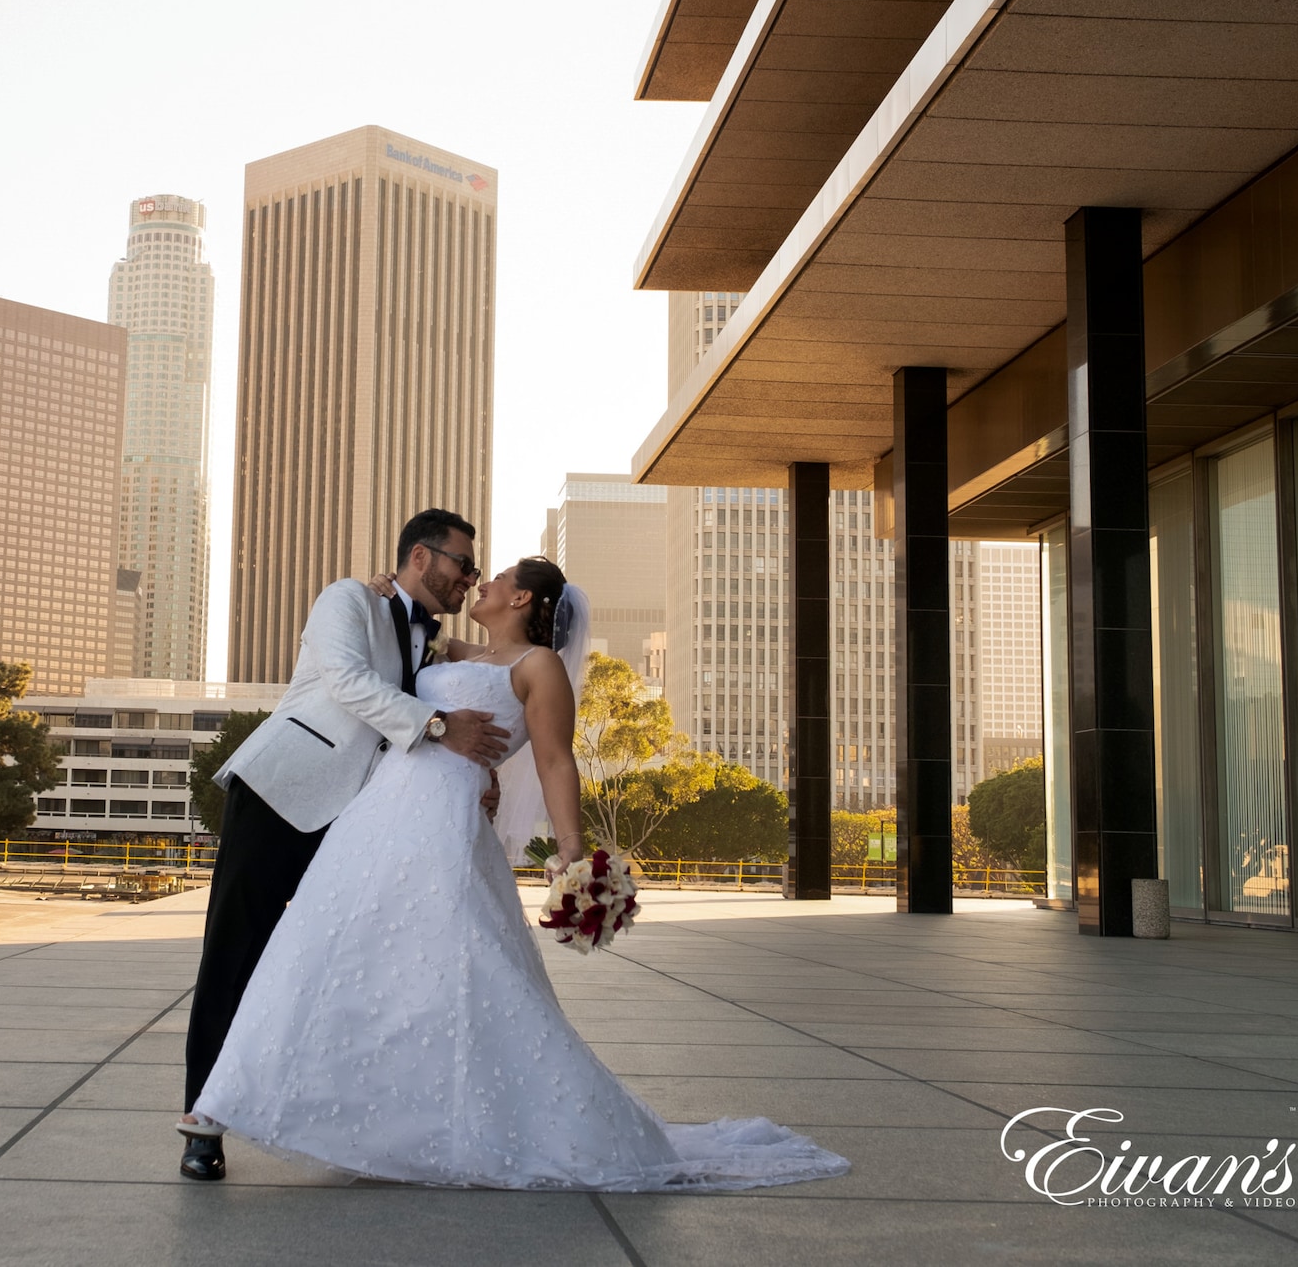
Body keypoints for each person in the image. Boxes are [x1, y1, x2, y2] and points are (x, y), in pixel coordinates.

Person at [185, 557, 850, 1191]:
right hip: (375, 817)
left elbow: (558, 761)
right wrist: (385, 590)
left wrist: (572, 851)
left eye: (498, 577)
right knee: (327, 953)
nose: (484, 581)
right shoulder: (451, 654)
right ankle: (262, 1106)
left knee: (461, 965)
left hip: (445, 823)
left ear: (523, 598)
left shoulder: (540, 669)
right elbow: (384, 673)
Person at [178, 508, 510, 1181]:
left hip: (363, 821)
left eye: (476, 571)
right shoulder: (348, 597)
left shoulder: (428, 639)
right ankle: (202, 1122)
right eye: (462, 565)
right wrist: (443, 727)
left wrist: (478, 769)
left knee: (342, 965)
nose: (468, 579)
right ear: (421, 558)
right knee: (234, 956)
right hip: (282, 792)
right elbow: (348, 683)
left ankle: (340, 1119)